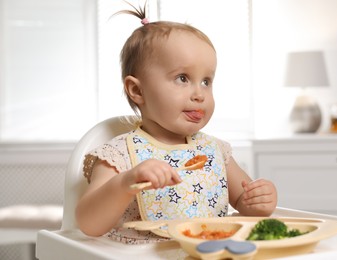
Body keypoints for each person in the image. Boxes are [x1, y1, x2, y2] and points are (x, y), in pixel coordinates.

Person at [76, 3, 277, 244]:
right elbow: (88, 224)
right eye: (183, 78)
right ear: (137, 90)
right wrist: (126, 183)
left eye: (206, 81)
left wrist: (260, 201)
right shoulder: (119, 155)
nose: (199, 94)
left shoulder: (215, 152)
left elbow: (245, 204)